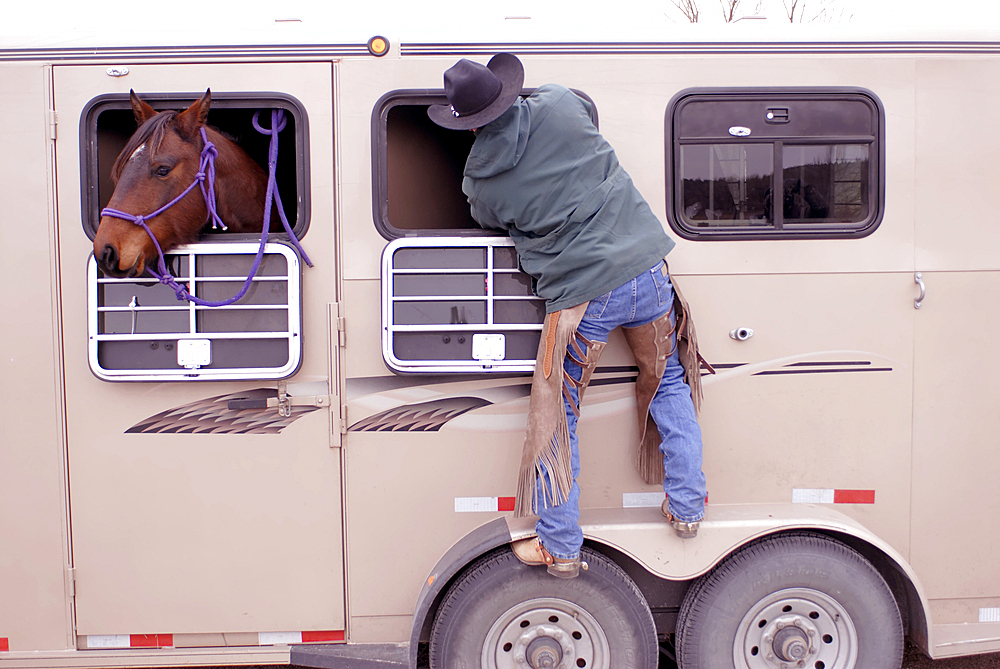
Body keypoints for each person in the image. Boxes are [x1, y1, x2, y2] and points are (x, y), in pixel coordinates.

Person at [428, 54, 708, 579]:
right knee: (668, 381)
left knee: (559, 413)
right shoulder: (557, 103)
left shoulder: (479, 183)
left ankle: (561, 545)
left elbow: (488, 219)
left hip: (584, 296)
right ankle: (688, 508)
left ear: (465, 123)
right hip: (649, 274)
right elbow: (574, 105)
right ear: (507, 94)